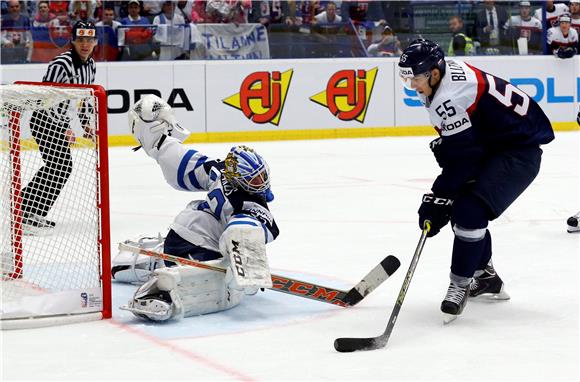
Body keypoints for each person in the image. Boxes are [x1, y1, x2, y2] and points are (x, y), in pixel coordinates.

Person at [397, 39, 554, 321]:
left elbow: (464, 159)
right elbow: (464, 147)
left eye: (416, 78)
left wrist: (438, 197)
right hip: (495, 142)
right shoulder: (440, 78)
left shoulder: (450, 95)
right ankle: (485, 277)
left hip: (519, 152)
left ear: (434, 73)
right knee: (458, 205)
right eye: (407, 78)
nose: (412, 86)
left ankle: (460, 284)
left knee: (469, 210)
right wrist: (445, 191)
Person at [115, 95, 280, 321]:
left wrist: (157, 139)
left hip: (182, 231)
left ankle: (153, 260)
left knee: (206, 263)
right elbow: (243, 230)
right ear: (240, 179)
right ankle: (161, 290)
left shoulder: (219, 171)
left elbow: (179, 161)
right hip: (200, 246)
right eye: (254, 179)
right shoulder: (252, 203)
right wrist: (247, 268)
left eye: (261, 177)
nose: (259, 184)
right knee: (220, 284)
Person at [20, 20, 98, 233]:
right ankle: (23, 209)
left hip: (59, 124)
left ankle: (31, 210)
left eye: (89, 40)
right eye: (80, 39)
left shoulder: (91, 66)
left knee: (60, 168)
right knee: (60, 166)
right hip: (44, 121)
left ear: (95, 42)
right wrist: (65, 126)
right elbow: (47, 97)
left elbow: (86, 98)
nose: (85, 44)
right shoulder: (61, 63)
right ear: (73, 40)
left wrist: (85, 125)